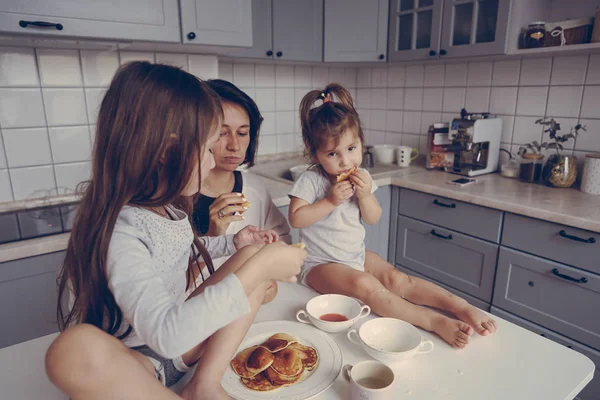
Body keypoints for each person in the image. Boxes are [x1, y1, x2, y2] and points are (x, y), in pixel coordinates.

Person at [44, 61, 306, 400]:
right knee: (72, 350)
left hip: (185, 348)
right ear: (169, 150)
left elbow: (177, 251)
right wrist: (262, 266)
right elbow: (166, 336)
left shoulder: (169, 207)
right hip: (139, 362)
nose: (214, 161)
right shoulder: (121, 230)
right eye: (208, 149)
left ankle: (204, 385)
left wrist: (234, 242)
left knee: (252, 256)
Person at [288, 83, 497, 349]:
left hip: (355, 255)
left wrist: (364, 196)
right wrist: (330, 200)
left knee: (398, 280)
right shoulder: (311, 180)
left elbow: (373, 217)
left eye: (351, 148)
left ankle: (458, 305)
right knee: (367, 285)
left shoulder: (362, 177)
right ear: (314, 151)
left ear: (361, 141)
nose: (345, 161)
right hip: (318, 264)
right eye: (332, 154)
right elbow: (296, 219)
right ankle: (432, 321)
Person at [193, 79, 291, 274]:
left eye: (243, 133)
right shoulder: (176, 196)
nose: (235, 145)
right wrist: (213, 236)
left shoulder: (254, 187)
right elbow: (176, 284)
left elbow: (283, 240)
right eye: (222, 133)